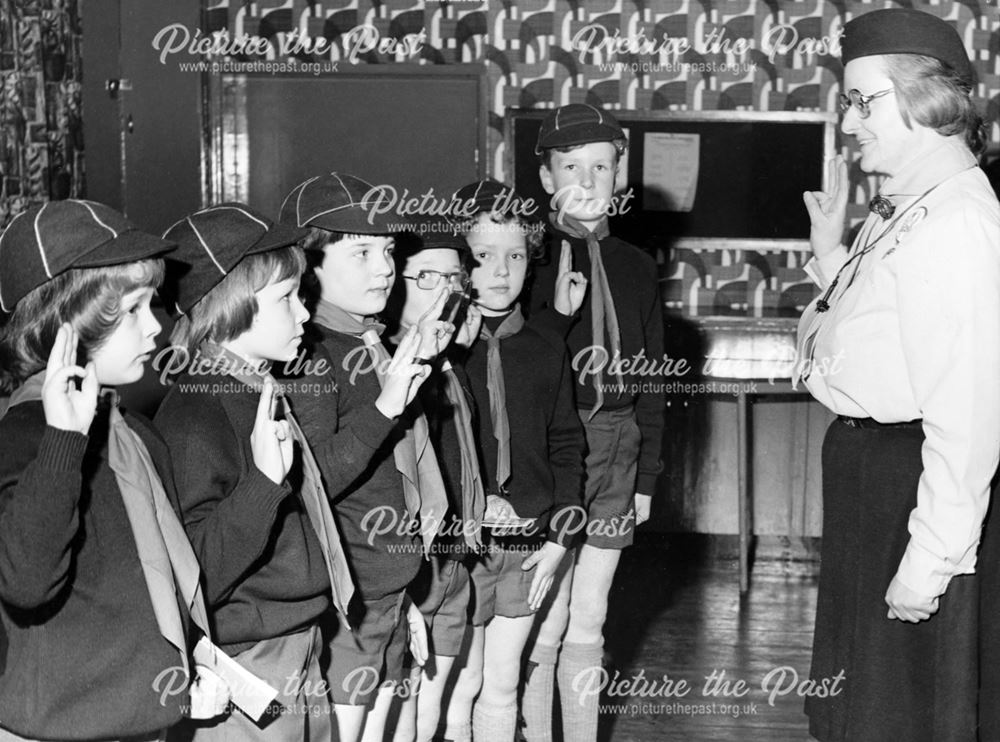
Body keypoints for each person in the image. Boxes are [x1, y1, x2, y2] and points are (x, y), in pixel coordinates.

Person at [794, 9, 1000, 740]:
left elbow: (970, 415)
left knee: (899, 711)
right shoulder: (904, 206)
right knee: (858, 711)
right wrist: (829, 258)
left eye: (863, 100)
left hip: (907, 487)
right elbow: (863, 336)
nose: (849, 123)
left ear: (926, 99)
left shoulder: (959, 224)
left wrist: (931, 561)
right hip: (871, 476)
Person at [0, 200, 228, 741]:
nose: (156, 327)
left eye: (153, 304)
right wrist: (62, 444)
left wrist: (191, 662)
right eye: (132, 310)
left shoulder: (136, 433)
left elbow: (157, 582)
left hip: (143, 721)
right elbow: (27, 583)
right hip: (57, 730)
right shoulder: (21, 442)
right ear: (67, 324)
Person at [154, 203, 344, 740]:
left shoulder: (254, 389)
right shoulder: (196, 412)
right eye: (286, 299)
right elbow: (195, 575)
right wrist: (262, 484)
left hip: (299, 641)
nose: (306, 314)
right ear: (233, 306)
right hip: (249, 663)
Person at [278, 173, 442, 742]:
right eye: (362, 252)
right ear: (309, 266)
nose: (385, 268)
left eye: (388, 251)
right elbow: (313, 481)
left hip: (388, 589)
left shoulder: (371, 342)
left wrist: (406, 593)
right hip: (349, 602)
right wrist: (385, 405)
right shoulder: (310, 358)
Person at [524, 104, 665, 742]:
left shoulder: (637, 266)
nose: (587, 179)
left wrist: (645, 479)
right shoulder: (526, 261)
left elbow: (654, 382)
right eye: (570, 166)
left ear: (620, 174)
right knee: (544, 618)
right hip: (555, 448)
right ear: (548, 178)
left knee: (591, 614)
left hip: (617, 447)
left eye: (601, 166)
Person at [447, 185, 587, 742]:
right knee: (463, 677)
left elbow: (567, 446)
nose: (501, 272)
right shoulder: (441, 351)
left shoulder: (547, 346)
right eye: (483, 256)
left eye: (516, 256)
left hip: (528, 544)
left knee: (504, 681)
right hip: (460, 544)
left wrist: (560, 540)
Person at [382, 218, 486, 742]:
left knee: (434, 708)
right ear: (390, 281)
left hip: (451, 561)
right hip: (405, 568)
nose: (445, 291)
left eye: (454, 278)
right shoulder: (384, 368)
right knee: (401, 711)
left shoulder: (449, 363)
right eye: (427, 277)